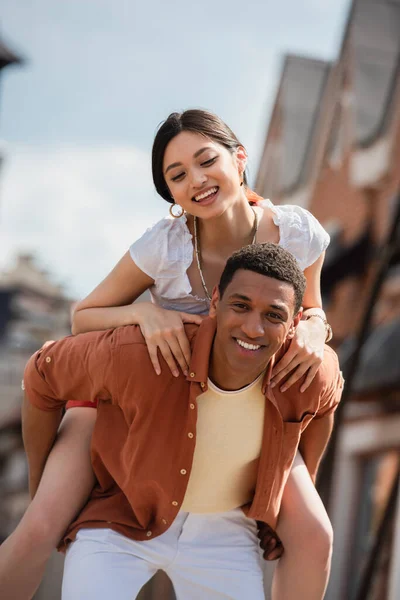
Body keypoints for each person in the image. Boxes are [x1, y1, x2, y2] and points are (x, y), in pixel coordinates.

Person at [0, 109, 335, 599]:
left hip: (241, 403)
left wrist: (316, 327)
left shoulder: (297, 233)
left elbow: (313, 307)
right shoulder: (165, 246)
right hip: (142, 392)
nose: (196, 181)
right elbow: (83, 316)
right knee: (38, 527)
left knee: (315, 534)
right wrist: (144, 315)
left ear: (240, 159)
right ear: (171, 194)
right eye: (177, 176)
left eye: (206, 161)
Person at [21, 243, 342, 600]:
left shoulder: (310, 372)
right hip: (121, 518)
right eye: (240, 306)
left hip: (225, 532)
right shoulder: (140, 352)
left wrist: (282, 498)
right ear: (215, 300)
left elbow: (325, 407)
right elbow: (41, 374)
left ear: (296, 322)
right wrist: (39, 481)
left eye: (273, 315)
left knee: (317, 534)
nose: (253, 328)